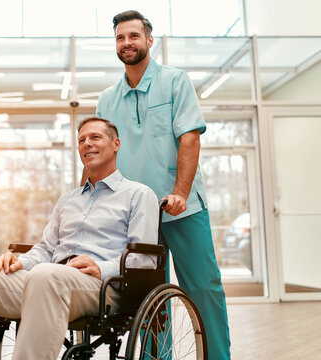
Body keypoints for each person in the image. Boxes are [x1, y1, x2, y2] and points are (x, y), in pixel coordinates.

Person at [0, 117, 159, 360]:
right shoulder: (68, 200)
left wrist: (100, 267)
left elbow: (145, 260)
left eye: (95, 137)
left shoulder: (139, 194)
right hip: (48, 279)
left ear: (116, 144)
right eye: (81, 140)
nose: (87, 144)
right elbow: (46, 248)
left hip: (102, 287)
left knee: (46, 275)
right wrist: (22, 261)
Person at [92, 10, 231, 360]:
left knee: (203, 289)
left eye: (134, 36)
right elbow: (98, 155)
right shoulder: (108, 99)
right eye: (121, 38)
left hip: (182, 209)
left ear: (149, 41)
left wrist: (181, 193)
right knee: (148, 298)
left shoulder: (174, 81)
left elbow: (189, 138)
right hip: (137, 216)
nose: (127, 43)